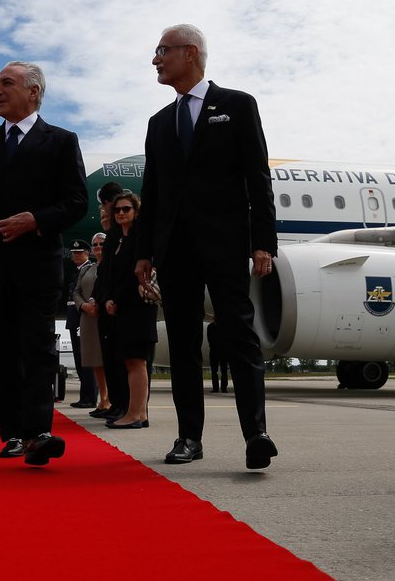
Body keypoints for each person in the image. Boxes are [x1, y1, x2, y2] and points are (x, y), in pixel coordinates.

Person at [134, 24, 279, 469]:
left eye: (162, 51)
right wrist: (143, 253)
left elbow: (258, 177)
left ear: (190, 52)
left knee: (238, 332)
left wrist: (263, 243)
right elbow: (152, 194)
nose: (155, 60)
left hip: (225, 241)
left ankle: (256, 433)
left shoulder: (236, 105)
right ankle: (188, 438)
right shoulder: (159, 123)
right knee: (180, 341)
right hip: (175, 249)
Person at [0, 61, 88, 466]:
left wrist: (37, 219)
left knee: (38, 348)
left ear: (34, 92)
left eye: (6, 83)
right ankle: (11, 433)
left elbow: (76, 202)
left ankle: (38, 432)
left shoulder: (61, 141)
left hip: (39, 264)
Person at [103, 192, 157, 429]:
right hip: (123, 308)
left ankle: (135, 414)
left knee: (136, 361)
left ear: (136, 211)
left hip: (137, 307)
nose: (121, 213)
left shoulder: (140, 240)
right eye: (117, 210)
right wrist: (109, 299)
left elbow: (132, 276)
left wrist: (118, 299)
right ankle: (140, 413)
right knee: (131, 361)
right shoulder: (117, 240)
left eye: (126, 209)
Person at [90, 183, 129, 421]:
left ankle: (126, 405)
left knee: (123, 360)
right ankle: (116, 403)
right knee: (111, 358)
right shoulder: (113, 235)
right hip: (107, 303)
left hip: (117, 304)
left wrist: (112, 297)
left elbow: (119, 271)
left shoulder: (124, 235)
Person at [74, 232, 110, 415]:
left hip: (105, 317)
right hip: (88, 317)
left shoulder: (112, 266)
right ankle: (103, 400)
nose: (98, 248)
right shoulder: (86, 269)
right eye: (95, 245)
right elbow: (76, 291)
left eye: (101, 244)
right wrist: (84, 306)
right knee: (96, 361)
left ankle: (110, 400)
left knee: (108, 360)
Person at [66, 238, 97, 408]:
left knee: (86, 360)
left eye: (79, 253)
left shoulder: (88, 270)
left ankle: (90, 397)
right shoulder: (78, 270)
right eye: (74, 253)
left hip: (81, 317)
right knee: (79, 359)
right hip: (74, 317)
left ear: (87, 254)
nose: (76, 256)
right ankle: (85, 396)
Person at [207, 320, 229, 393]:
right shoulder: (210, 327)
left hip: (223, 351)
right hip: (214, 351)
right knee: (214, 371)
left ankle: (224, 388)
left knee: (224, 371)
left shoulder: (224, 326)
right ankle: (215, 388)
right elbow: (209, 338)